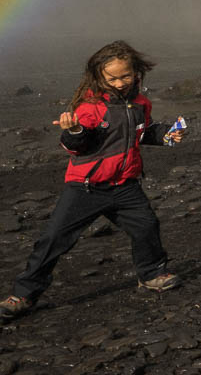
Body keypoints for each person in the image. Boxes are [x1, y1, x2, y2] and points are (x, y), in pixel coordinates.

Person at [0, 41, 186, 322]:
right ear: (99, 77)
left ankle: (151, 275)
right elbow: (77, 148)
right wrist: (73, 131)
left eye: (125, 76)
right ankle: (23, 295)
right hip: (86, 187)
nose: (120, 83)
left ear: (136, 73)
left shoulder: (140, 104)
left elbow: (142, 132)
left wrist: (165, 135)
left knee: (146, 226)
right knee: (53, 239)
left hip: (125, 185)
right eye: (112, 78)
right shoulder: (89, 108)